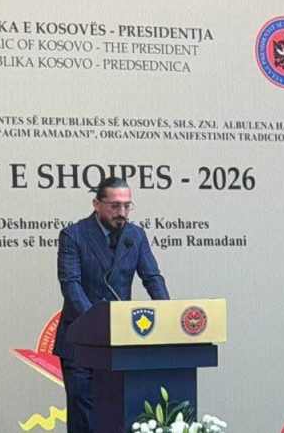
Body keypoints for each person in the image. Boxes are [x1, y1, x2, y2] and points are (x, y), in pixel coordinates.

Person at [53, 177, 169, 433]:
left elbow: (152, 278)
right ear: (96, 204)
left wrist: (168, 314)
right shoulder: (74, 235)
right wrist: (97, 324)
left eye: (127, 206)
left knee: (118, 416)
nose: (122, 213)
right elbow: (71, 285)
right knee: (85, 419)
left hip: (121, 342)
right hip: (81, 342)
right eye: (115, 206)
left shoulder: (135, 235)